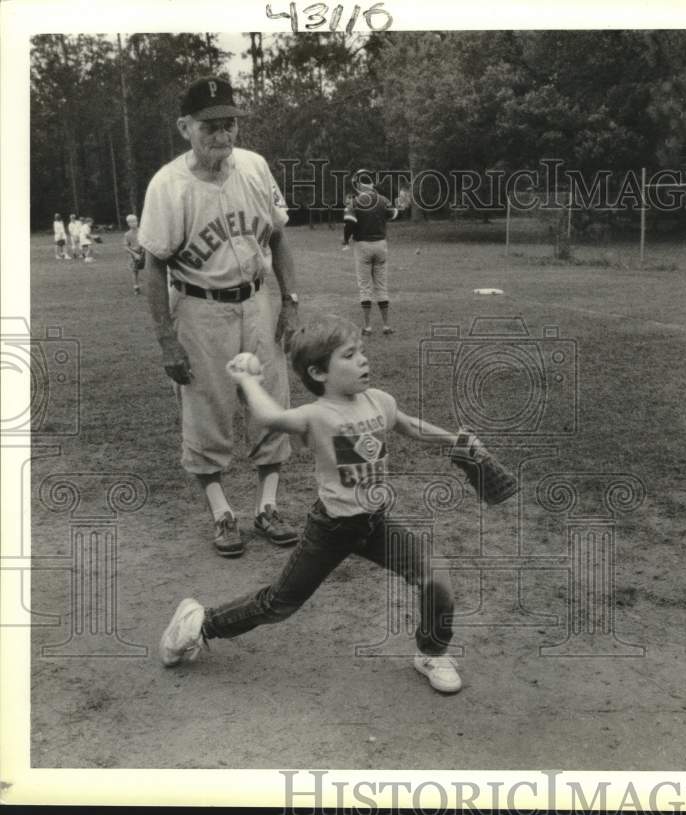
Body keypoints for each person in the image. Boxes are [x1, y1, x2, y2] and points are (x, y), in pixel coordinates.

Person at [159, 315, 465, 693]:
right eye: (350, 356)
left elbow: (411, 426)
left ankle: (432, 652)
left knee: (435, 575)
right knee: (278, 604)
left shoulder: (379, 401)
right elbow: (269, 416)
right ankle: (199, 623)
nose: (363, 361)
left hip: (375, 525)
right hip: (332, 529)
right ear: (319, 372)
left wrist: (456, 441)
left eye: (362, 352)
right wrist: (247, 381)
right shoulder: (315, 416)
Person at [138, 75, 302, 558]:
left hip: (256, 301)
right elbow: (154, 266)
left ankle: (268, 506)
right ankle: (222, 512)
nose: (222, 135)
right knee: (207, 409)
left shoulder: (254, 167)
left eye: (228, 124)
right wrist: (166, 340)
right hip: (199, 307)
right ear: (184, 127)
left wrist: (290, 302)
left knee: (272, 403)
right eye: (209, 126)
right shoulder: (168, 185)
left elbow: (277, 237)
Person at [341, 169, 405, 336]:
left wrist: (345, 240)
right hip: (381, 244)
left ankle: (368, 327)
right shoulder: (383, 200)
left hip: (362, 245)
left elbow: (349, 224)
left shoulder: (354, 202)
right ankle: (386, 325)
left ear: (359, 185)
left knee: (364, 286)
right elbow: (393, 214)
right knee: (381, 285)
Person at [123, 214, 144, 294]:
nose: (133, 223)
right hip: (134, 255)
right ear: (128, 223)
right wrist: (134, 254)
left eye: (134, 221)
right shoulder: (127, 234)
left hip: (144, 253)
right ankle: (136, 287)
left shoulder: (142, 231)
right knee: (134, 271)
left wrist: (144, 250)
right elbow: (126, 247)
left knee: (150, 268)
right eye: (131, 222)